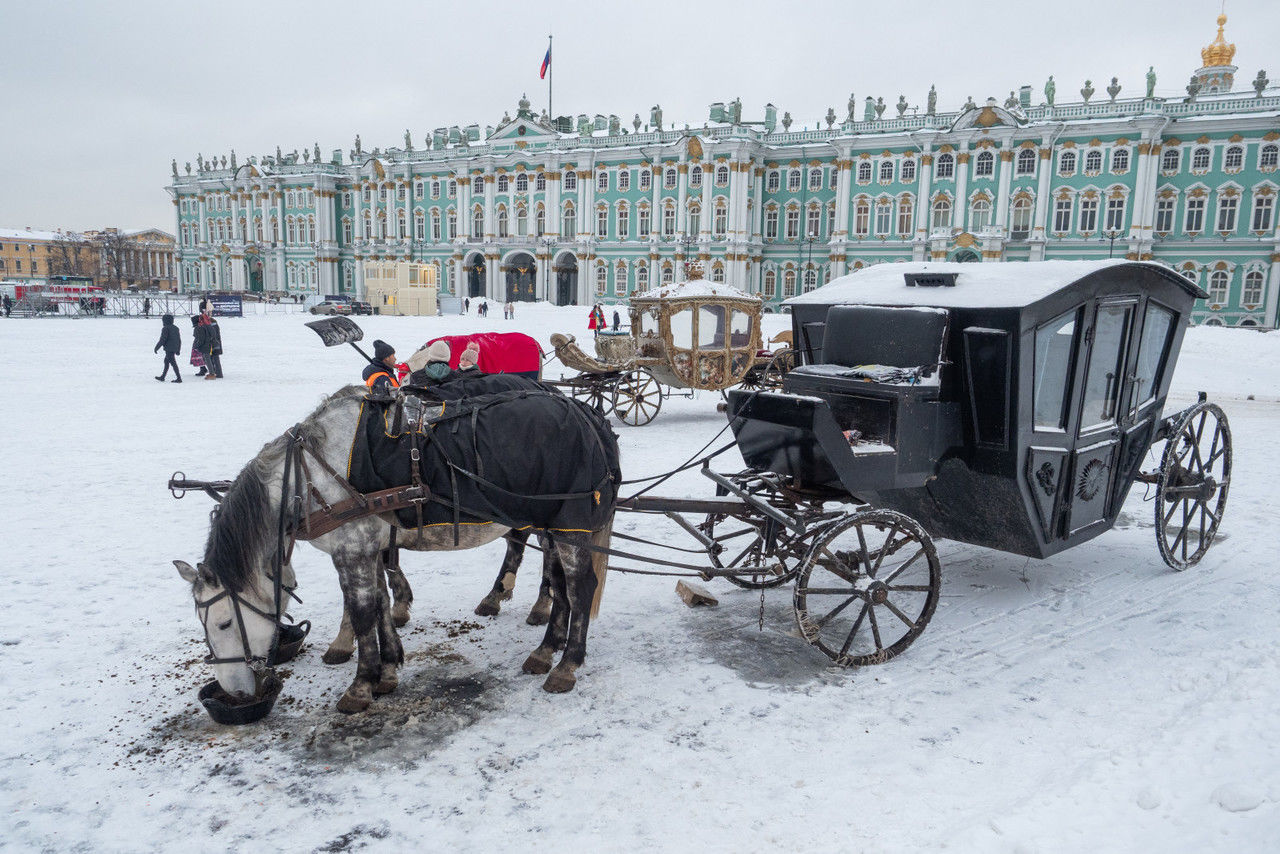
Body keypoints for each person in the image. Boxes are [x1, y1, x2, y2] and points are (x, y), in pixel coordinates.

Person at [194, 311, 224, 379]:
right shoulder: (212, 325)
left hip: (213, 344)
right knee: (214, 358)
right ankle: (216, 372)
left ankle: (216, 373)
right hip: (215, 343)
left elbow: (212, 335)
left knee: (213, 358)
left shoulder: (209, 326)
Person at [153, 314, 182, 383]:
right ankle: (163, 376)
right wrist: (178, 349)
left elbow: (162, 340)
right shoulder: (176, 328)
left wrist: (156, 348)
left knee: (173, 363)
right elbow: (179, 340)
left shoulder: (165, 328)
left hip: (169, 349)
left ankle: (179, 378)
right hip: (174, 348)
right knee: (166, 361)